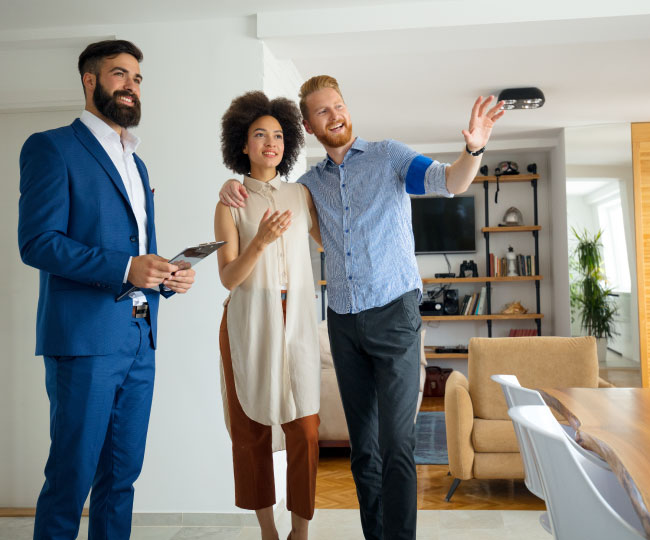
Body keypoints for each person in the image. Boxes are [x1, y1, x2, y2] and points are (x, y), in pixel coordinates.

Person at [219, 75, 504, 540]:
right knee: (364, 450)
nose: (335, 115)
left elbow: (449, 182)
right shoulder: (309, 186)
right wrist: (230, 189)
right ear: (309, 126)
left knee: (397, 444)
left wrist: (472, 151)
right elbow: (271, 210)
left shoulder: (389, 156)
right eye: (322, 111)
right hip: (345, 323)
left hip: (395, 315)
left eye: (339, 105)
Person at [18, 40, 195, 540]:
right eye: (120, 75)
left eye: (138, 79)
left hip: (140, 340)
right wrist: (124, 269)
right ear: (90, 81)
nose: (132, 87)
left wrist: (170, 278)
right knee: (70, 480)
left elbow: (143, 255)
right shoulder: (51, 147)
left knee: (121, 480)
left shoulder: (137, 164)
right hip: (85, 343)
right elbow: (37, 243)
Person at [214, 91, 323, 540]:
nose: (270, 143)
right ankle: (267, 531)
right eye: (259, 135)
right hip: (248, 320)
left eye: (278, 135)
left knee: (306, 428)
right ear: (243, 144)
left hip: (296, 317)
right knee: (251, 431)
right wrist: (258, 241)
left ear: (289, 143)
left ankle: (301, 530)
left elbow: (330, 243)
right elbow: (228, 278)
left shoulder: (301, 195)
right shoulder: (230, 201)